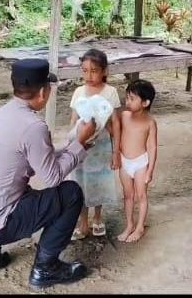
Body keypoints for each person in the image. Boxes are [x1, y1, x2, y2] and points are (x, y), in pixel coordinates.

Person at [0, 59, 97, 289]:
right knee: (71, 193)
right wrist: (80, 142)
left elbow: (39, 161)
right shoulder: (34, 126)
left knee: (20, 190)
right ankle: (45, 269)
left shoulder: (4, 112)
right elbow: (52, 177)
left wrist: (76, 147)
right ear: (43, 92)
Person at [69, 49, 122, 240]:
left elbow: (115, 122)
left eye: (94, 71)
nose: (88, 76)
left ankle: (98, 218)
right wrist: (72, 145)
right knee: (81, 183)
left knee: (98, 182)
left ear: (104, 71)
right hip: (82, 146)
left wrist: (116, 152)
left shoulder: (110, 92)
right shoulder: (78, 92)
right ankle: (83, 221)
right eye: (84, 71)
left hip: (101, 147)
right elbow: (73, 120)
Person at [117, 80, 158, 243]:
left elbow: (153, 147)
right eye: (127, 98)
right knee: (128, 196)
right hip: (124, 161)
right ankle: (129, 225)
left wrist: (150, 171)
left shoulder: (150, 123)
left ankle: (140, 227)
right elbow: (115, 132)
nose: (127, 102)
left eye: (132, 99)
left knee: (141, 195)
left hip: (141, 163)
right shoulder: (124, 116)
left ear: (145, 102)